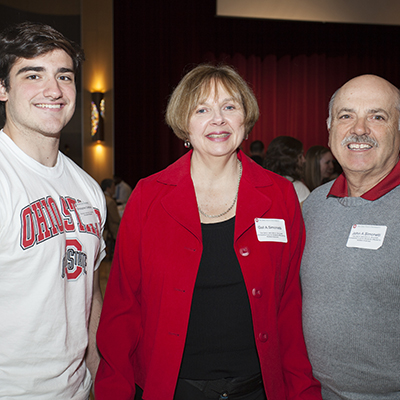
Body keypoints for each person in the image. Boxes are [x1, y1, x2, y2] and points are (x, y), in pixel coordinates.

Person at [95, 64, 322, 400]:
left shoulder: (279, 195)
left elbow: (289, 304)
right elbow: (122, 308)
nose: (218, 119)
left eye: (229, 107)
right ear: (184, 123)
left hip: (258, 389)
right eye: (202, 109)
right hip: (172, 389)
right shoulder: (148, 196)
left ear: (245, 119)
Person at [0, 22, 106, 399]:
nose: (53, 90)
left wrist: (98, 378)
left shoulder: (87, 190)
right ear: (2, 88)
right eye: (33, 74)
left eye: (64, 76)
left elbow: (87, 294)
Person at [300, 74, 400, 399]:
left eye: (377, 116)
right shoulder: (313, 206)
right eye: (346, 116)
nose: (359, 129)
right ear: (330, 128)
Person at [264, 136, 310, 206]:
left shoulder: (265, 184)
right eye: (300, 156)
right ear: (290, 160)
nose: (304, 160)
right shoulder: (298, 187)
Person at [101, 178, 121, 258]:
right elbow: (116, 219)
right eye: (113, 187)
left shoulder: (101, 198)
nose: (115, 189)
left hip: (104, 228)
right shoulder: (110, 201)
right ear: (108, 188)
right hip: (112, 229)